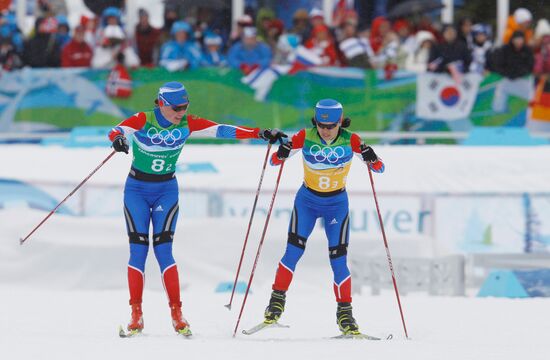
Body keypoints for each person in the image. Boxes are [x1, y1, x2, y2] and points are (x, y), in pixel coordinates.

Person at [108, 81, 286, 336]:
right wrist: (117, 140)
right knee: (138, 251)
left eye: (185, 106)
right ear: (162, 104)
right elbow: (117, 130)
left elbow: (222, 130)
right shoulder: (143, 119)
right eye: (177, 107)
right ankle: (136, 314)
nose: (182, 112)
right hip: (136, 190)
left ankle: (177, 314)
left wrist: (259, 133)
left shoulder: (187, 124)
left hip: (166, 191)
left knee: (164, 252)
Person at [261, 99, 385, 336]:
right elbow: (274, 162)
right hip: (307, 202)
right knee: (293, 252)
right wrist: (283, 152)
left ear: (340, 122)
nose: (325, 130)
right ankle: (276, 303)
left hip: (336, 205)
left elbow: (379, 169)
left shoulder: (352, 140)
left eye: (330, 126)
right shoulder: (304, 136)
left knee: (338, 260)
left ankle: (345, 315)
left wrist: (372, 156)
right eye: (321, 125)